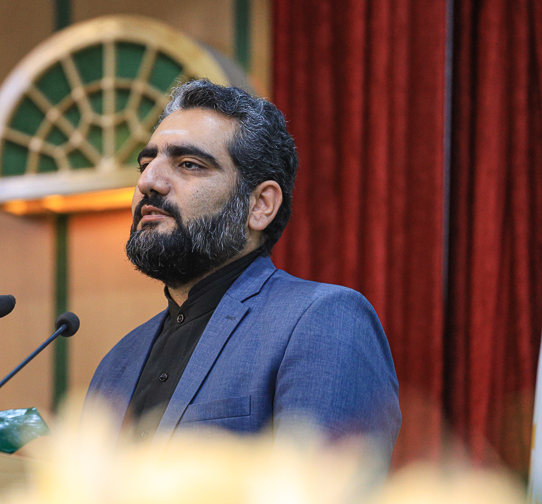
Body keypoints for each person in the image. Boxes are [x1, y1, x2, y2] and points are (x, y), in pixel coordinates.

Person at [85, 79, 400, 461]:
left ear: (260, 205)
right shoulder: (117, 362)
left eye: (189, 164)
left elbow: (324, 495)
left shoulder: (323, 320)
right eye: (146, 164)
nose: (148, 182)